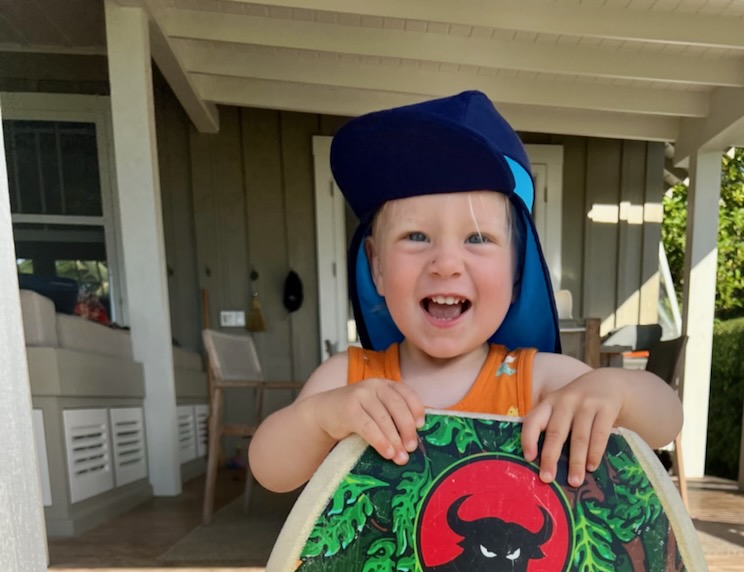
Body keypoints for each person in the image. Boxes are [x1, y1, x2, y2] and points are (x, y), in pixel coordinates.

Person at [249, 91, 681, 494]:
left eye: (477, 239)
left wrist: (616, 390)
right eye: (416, 236)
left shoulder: (537, 381)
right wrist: (318, 418)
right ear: (377, 266)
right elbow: (270, 471)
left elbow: (666, 422)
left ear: (517, 272)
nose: (446, 263)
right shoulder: (349, 380)